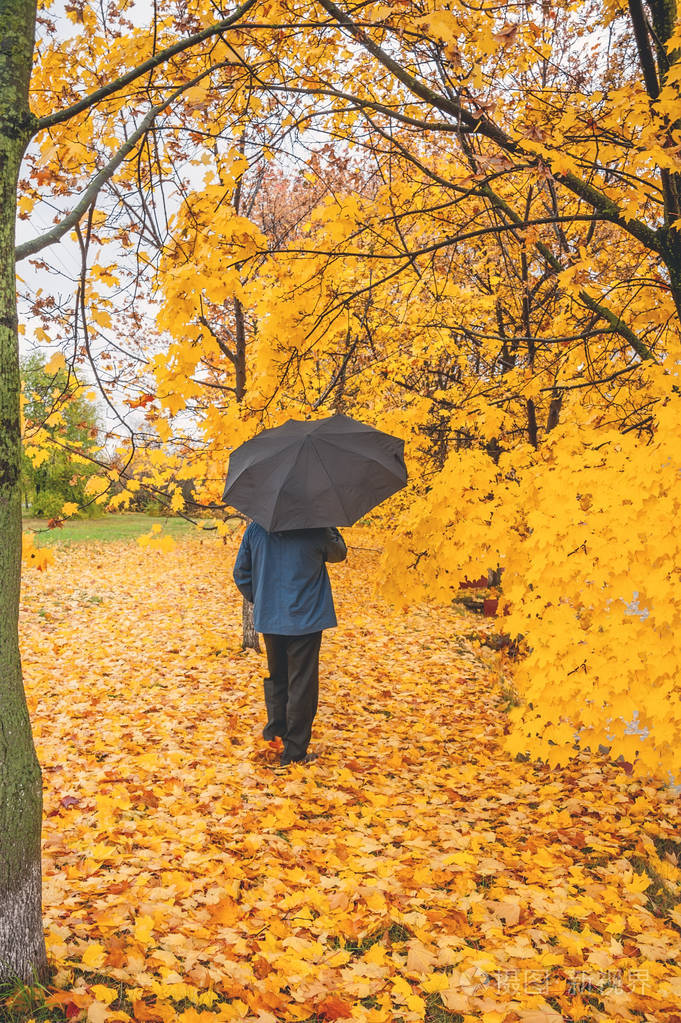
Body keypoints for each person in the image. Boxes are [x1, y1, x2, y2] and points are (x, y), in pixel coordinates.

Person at [233, 522, 347, 766]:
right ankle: (294, 752)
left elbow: (241, 573)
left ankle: (276, 734)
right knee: (302, 684)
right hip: (305, 619)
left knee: (278, 677)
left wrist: (262, 597)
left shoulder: (256, 529)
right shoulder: (316, 528)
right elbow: (339, 554)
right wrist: (330, 526)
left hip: (271, 617)